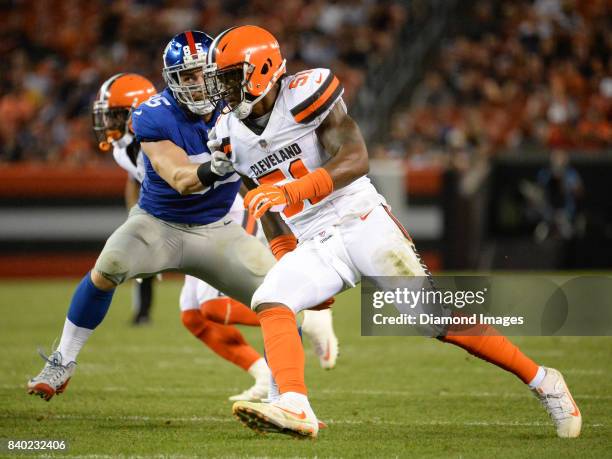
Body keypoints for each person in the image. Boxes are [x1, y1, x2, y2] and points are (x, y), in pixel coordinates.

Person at [202, 25, 582, 439]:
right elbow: (261, 196)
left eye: (229, 77)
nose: (224, 90)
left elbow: (355, 158)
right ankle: (295, 403)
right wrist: (284, 251)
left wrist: (293, 189)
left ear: (260, 70)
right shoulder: (226, 133)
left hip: (360, 219)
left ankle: (545, 381)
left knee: (431, 319)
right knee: (271, 298)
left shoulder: (304, 93)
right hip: (313, 241)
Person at [27, 30, 337, 403]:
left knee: (281, 297)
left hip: (219, 229)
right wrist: (216, 167)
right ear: (171, 79)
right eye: (185, 76)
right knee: (107, 267)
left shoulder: (240, 107)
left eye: (202, 73)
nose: (196, 83)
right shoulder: (153, 115)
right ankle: (62, 360)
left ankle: (281, 398)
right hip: (159, 224)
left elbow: (266, 173)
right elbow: (179, 178)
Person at [93, 72, 156, 325]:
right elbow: (134, 180)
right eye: (107, 114)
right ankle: (142, 313)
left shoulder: (158, 141)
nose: (107, 122)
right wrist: (135, 213)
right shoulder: (122, 151)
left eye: (114, 114)